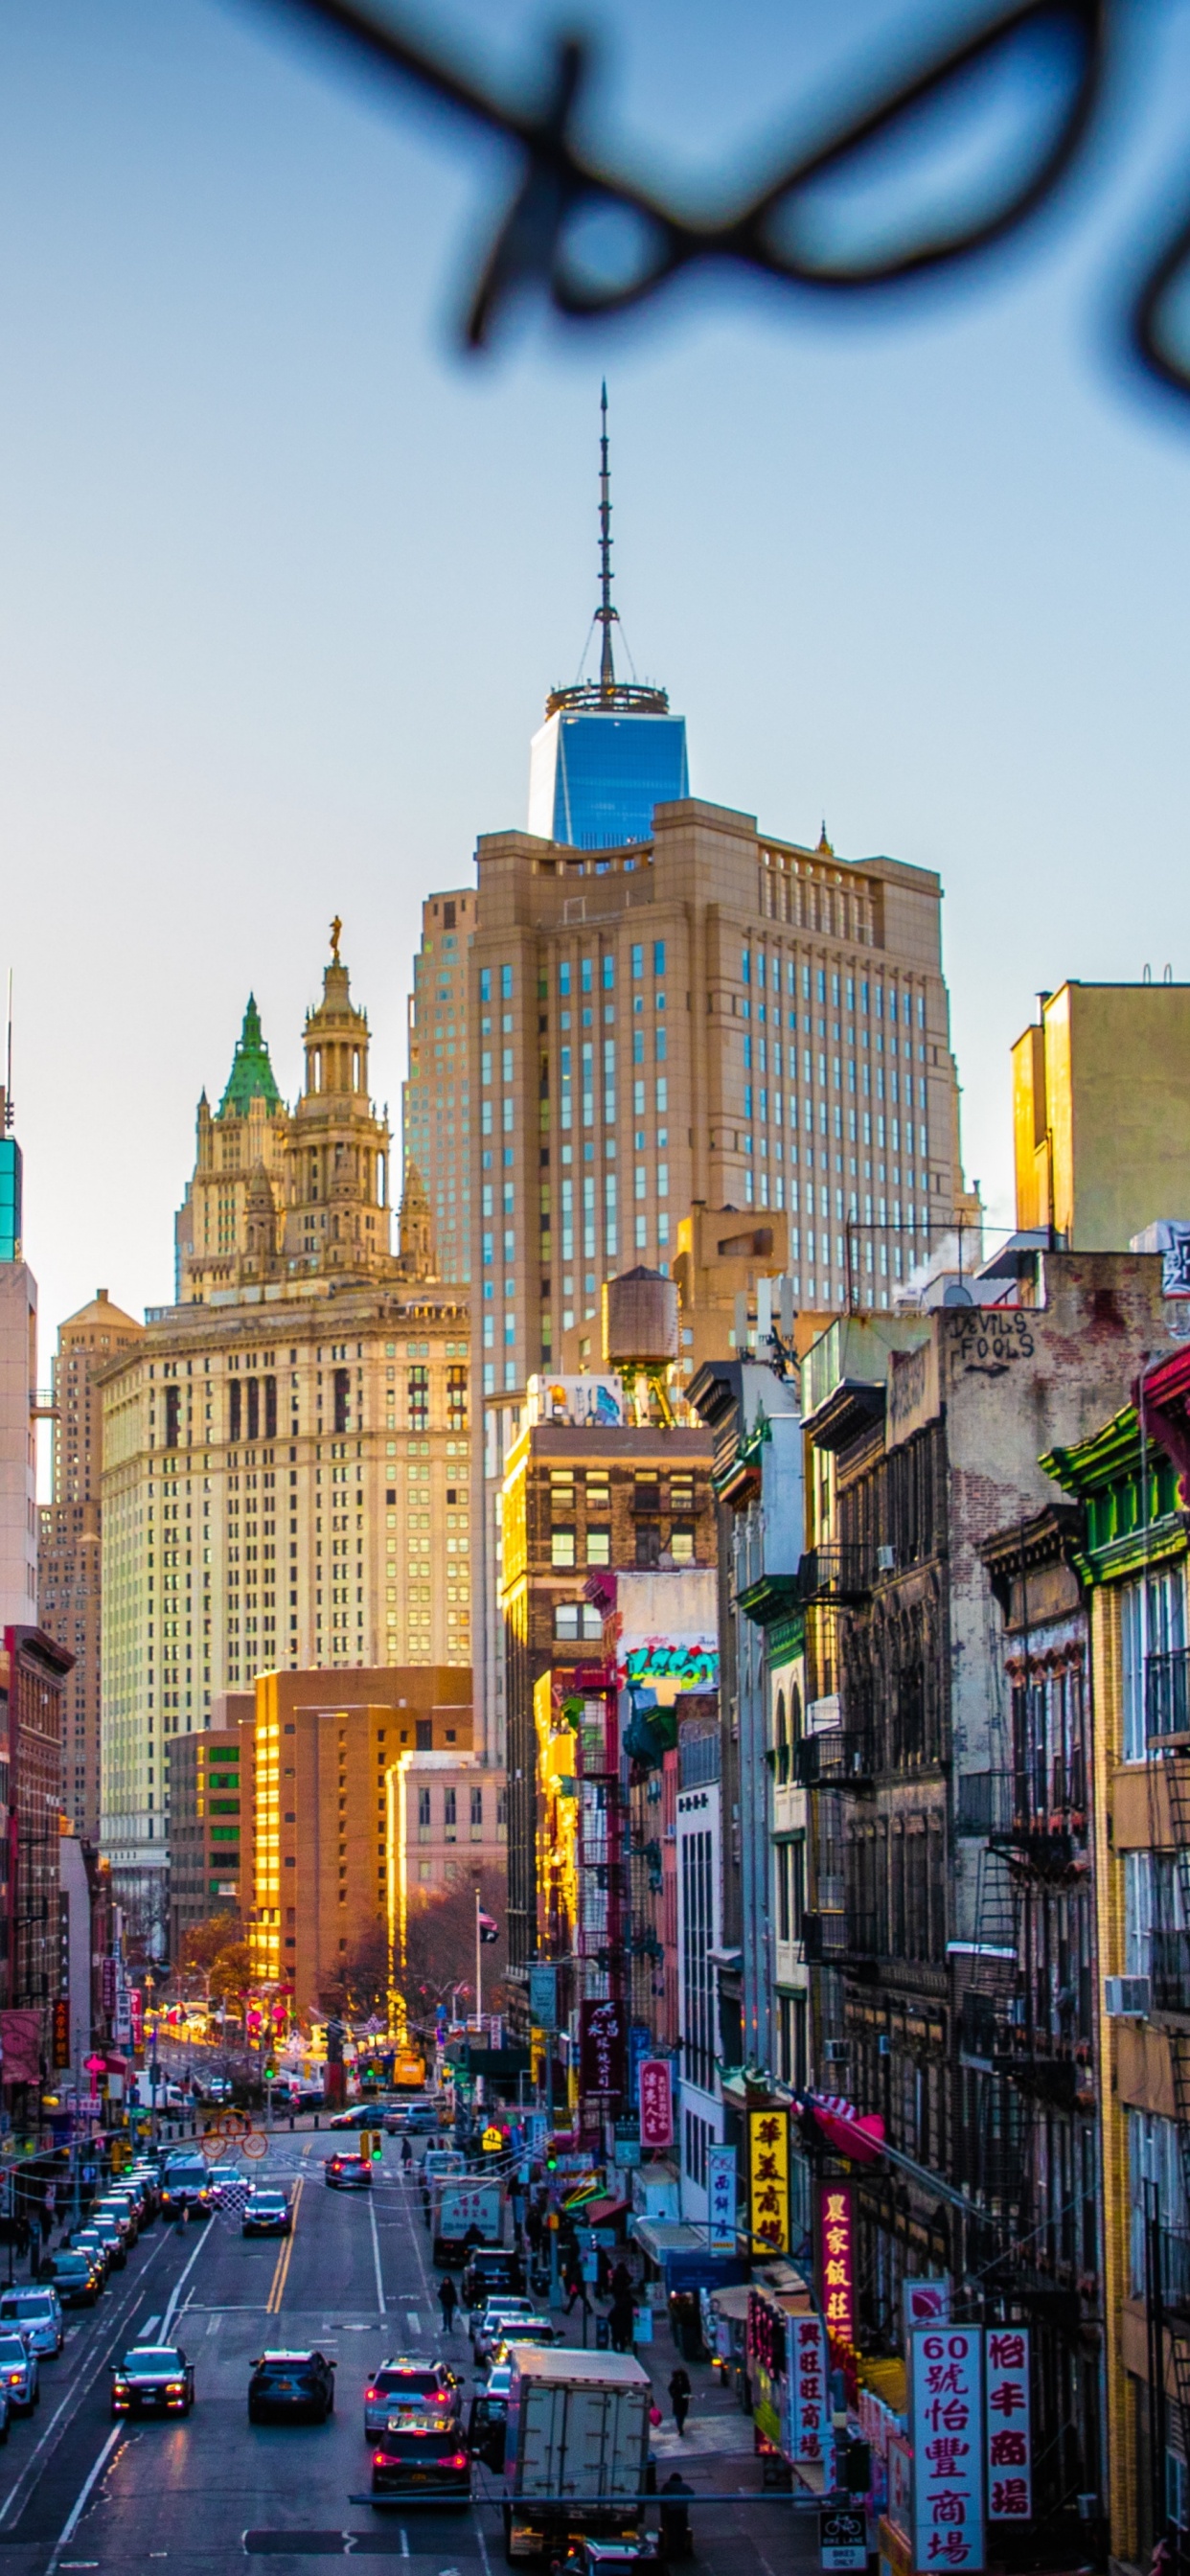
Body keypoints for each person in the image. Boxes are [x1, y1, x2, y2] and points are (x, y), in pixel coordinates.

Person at [668, 2365, 691, 2436]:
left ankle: (681, 2426)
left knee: (682, 2415)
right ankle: (680, 2428)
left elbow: (689, 2389)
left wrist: (687, 2395)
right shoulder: (674, 2381)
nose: (679, 2377)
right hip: (677, 2400)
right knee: (678, 2415)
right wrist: (673, 2396)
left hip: (684, 2401)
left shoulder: (685, 2381)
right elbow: (670, 2388)